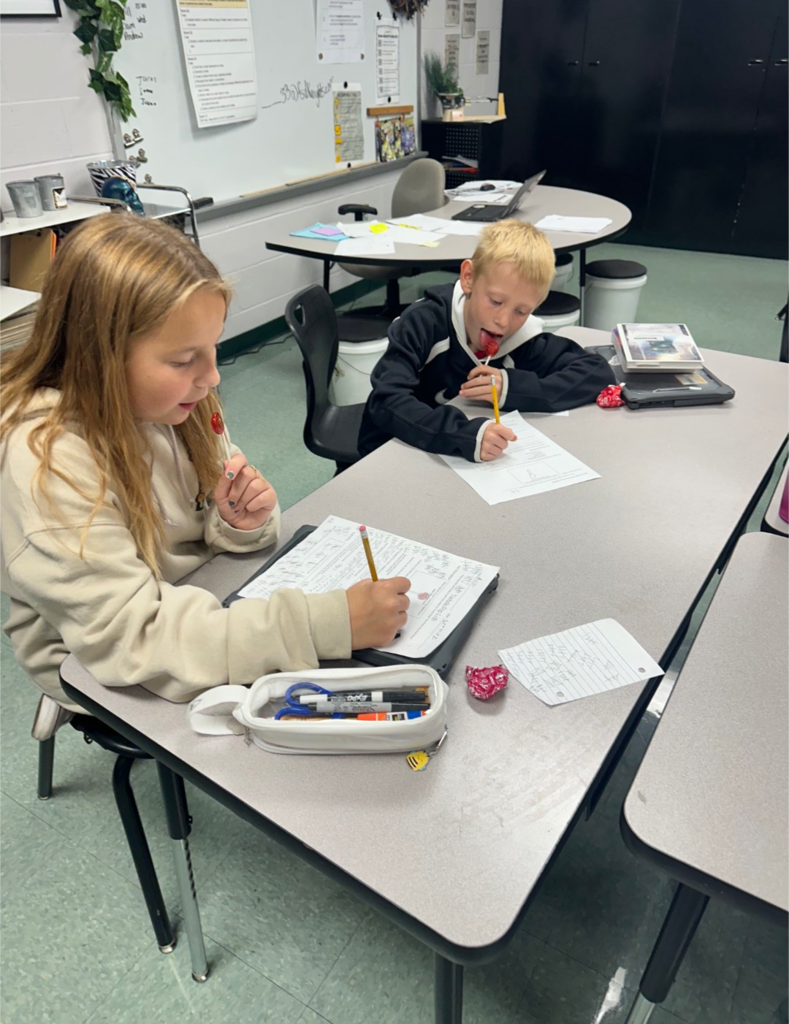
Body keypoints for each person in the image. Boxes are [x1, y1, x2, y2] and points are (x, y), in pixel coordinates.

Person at [0, 214, 409, 713]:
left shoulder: (175, 402)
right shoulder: (46, 463)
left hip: (189, 602)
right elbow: (133, 639)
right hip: (95, 657)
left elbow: (207, 509)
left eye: (213, 348)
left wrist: (235, 522)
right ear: (99, 354)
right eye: (182, 360)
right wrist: (325, 624)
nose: (212, 377)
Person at [358, 219, 614, 462]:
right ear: (469, 277)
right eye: (495, 301)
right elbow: (386, 401)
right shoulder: (424, 322)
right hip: (389, 451)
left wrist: (513, 388)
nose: (503, 321)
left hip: (451, 461)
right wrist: (460, 433)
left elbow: (597, 373)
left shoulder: (523, 339)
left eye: (521, 311)